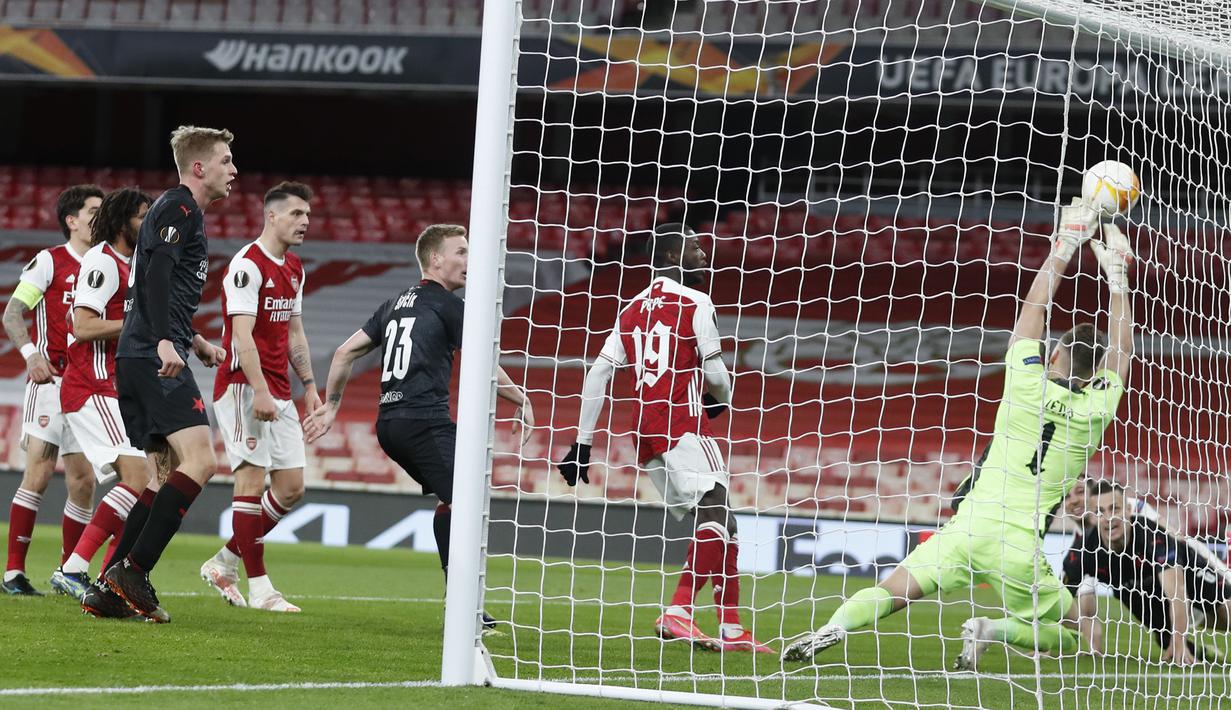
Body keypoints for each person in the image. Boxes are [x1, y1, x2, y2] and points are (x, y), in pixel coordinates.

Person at [784, 203, 1135, 668]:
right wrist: (1117, 277)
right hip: (1016, 545)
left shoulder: (1024, 382)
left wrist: (1065, 244)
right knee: (1073, 632)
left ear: (1053, 357)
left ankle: (836, 626)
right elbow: (1123, 352)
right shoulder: (1096, 408)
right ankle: (991, 628)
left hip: (966, 527)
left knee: (895, 591)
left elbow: (1033, 311)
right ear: (1095, 376)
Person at [556, 223, 773, 654]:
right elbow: (716, 376)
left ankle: (731, 628)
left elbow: (599, 373)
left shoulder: (631, 307)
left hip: (645, 432)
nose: (703, 252)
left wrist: (582, 443)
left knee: (721, 521)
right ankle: (678, 611)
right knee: (715, 506)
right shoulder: (697, 301)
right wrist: (721, 402)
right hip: (684, 421)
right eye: (694, 246)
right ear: (674, 255)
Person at [304, 223, 534, 628]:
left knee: (455, 500)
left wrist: (332, 405)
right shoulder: (447, 305)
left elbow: (343, 353)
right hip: (423, 420)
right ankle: (462, 602)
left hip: (390, 424)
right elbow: (482, 361)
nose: (469, 259)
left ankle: (461, 598)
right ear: (434, 259)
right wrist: (522, 398)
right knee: (469, 499)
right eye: (460, 252)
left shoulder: (394, 303)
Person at [100, 126, 233, 623]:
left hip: (145, 353)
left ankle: (109, 586)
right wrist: (164, 340)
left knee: (161, 474)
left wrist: (191, 337)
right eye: (225, 160)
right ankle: (135, 570)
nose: (233, 169)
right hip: (152, 356)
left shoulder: (178, 211)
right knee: (201, 462)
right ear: (198, 167)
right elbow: (153, 277)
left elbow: (159, 284)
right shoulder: (178, 207)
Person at [200, 181, 318, 612]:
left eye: (307, 215)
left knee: (290, 488)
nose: (304, 221)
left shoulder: (294, 267)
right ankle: (261, 588)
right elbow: (242, 336)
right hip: (242, 387)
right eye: (296, 214)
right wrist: (261, 391)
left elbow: (295, 331)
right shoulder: (247, 266)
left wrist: (309, 387)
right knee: (250, 482)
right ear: (272, 215)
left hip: (280, 390)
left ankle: (225, 561)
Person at [50, 187, 158, 608]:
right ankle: (74, 569)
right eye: (142, 216)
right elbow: (82, 326)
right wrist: (134, 322)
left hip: (115, 388)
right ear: (120, 222)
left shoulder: (134, 266)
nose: (149, 223)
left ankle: (106, 578)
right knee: (138, 477)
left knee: (148, 480)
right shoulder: (101, 261)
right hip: (91, 386)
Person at [3, 184, 104, 596]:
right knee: (40, 473)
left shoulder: (107, 264)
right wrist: (30, 354)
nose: (100, 217)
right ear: (72, 220)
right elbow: (13, 313)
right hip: (49, 385)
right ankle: (13, 573)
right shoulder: (49, 262)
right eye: (94, 210)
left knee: (83, 480)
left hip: (86, 389)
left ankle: (68, 571)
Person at [1066, 480, 1230, 665]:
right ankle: (1204, 652)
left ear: (1129, 509)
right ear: (1092, 517)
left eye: (1115, 509)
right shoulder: (1083, 552)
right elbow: (1059, 600)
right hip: (1140, 587)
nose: (1109, 518)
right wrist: (1046, 644)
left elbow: (1177, 591)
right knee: (1165, 641)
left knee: (1224, 615)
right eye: (1100, 512)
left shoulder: (1151, 534)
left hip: (1187, 572)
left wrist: (1179, 640)